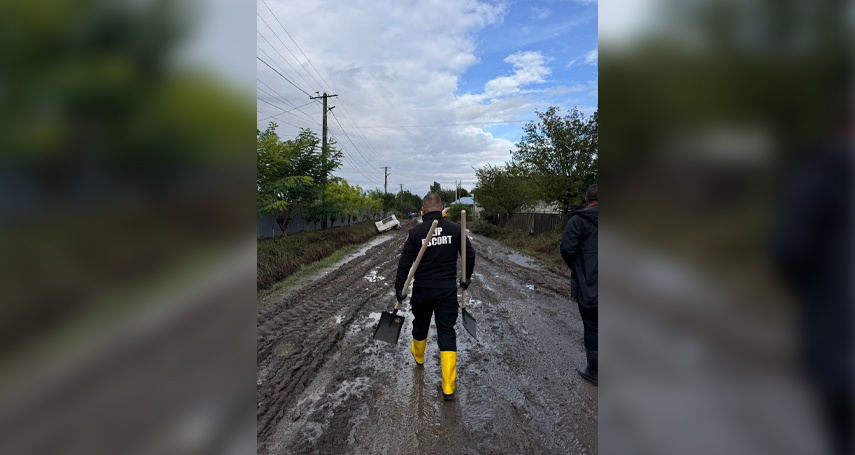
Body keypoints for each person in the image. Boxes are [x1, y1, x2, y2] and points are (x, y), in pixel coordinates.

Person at [395, 193, 475, 400]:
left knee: (420, 325)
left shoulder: (414, 233)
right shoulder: (455, 230)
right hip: (446, 291)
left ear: (422, 211)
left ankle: (419, 357)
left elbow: (405, 264)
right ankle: (448, 387)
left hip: (423, 290)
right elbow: (470, 254)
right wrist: (465, 279)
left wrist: (400, 289)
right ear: (441, 209)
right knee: (446, 332)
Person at [560, 184, 599, 386]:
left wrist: (579, 267)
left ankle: (595, 371)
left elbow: (567, 249)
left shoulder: (578, 221)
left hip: (590, 284)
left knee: (593, 326)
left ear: (586, 201)